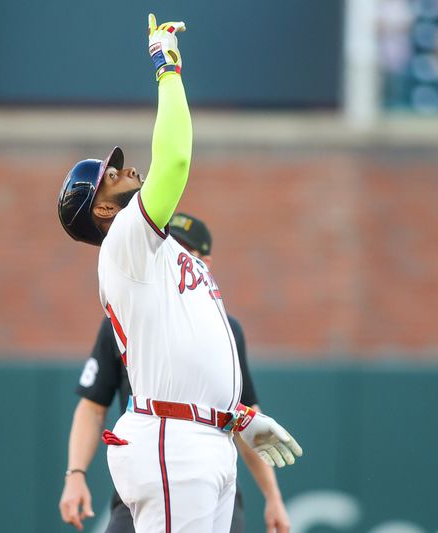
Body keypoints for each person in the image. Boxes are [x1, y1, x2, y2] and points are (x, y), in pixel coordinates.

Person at [55, 13, 302, 533]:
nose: (124, 170)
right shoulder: (125, 240)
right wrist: (166, 66)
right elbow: (175, 161)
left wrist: (237, 416)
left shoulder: (160, 254)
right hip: (172, 440)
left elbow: (187, 353)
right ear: (101, 211)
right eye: (109, 176)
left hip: (204, 439)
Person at [59, 213, 292, 532]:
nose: (172, 255)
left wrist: (273, 495)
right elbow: (92, 405)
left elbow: (244, 415)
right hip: (157, 459)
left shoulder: (222, 327)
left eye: (185, 250)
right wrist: (75, 474)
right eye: (169, 246)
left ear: (204, 262)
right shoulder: (130, 315)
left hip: (210, 464)